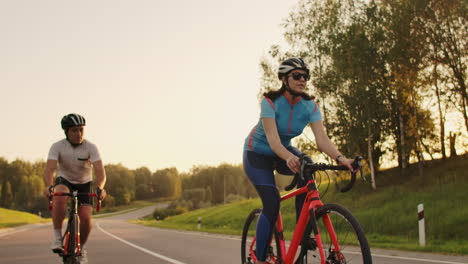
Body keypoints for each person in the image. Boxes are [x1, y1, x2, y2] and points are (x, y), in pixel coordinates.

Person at [243, 58, 356, 264]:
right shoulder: (270, 102)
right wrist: (288, 157)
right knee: (271, 202)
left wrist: (341, 159)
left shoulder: (310, 106)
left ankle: (302, 233)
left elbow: (322, 140)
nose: (302, 79)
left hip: (282, 152)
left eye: (305, 76)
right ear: (285, 79)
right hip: (256, 154)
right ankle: (260, 257)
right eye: (297, 75)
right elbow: (273, 140)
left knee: (308, 165)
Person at [43, 113, 107, 264]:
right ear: (66, 132)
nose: (78, 134)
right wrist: (49, 186)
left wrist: (100, 188)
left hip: (85, 183)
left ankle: (82, 248)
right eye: (74, 130)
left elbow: (100, 173)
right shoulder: (57, 146)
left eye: (81, 130)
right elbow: (49, 169)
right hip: (65, 180)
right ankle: (58, 238)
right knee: (60, 196)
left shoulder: (91, 147)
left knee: (85, 218)